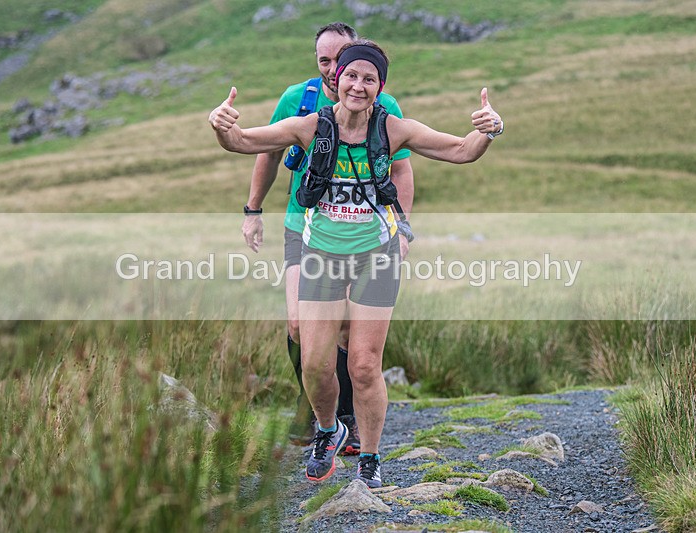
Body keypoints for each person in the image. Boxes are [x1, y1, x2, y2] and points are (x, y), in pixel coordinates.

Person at [209, 39, 503, 488]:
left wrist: (490, 128)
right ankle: (329, 430)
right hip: (322, 258)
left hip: (375, 259)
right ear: (337, 78)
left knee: (364, 366)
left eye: (369, 79)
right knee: (314, 364)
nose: (358, 86)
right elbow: (244, 142)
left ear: (380, 86)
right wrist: (222, 125)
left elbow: (461, 150)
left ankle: (370, 457)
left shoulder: (394, 129)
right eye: (351, 75)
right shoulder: (311, 126)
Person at [239, 22, 415, 453]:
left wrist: (403, 228)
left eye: (343, 59)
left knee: (349, 335)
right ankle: (318, 410)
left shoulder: (383, 104)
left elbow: (401, 169)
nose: (335, 69)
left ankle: (347, 419)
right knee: (299, 325)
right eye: (325, 60)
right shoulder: (297, 100)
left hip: (363, 235)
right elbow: (268, 153)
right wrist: (253, 210)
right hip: (303, 226)